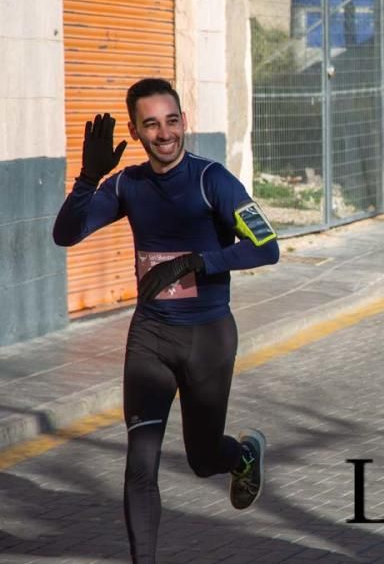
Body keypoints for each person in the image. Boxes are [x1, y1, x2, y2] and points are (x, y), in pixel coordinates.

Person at [52, 78, 280, 563]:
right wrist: (88, 180)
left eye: (171, 121)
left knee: (201, 459)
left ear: (184, 122)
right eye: (151, 124)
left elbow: (268, 246)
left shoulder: (211, 180)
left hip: (208, 340)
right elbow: (65, 235)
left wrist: (201, 261)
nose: (164, 133)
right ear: (134, 131)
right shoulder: (128, 184)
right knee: (140, 467)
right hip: (151, 339)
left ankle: (241, 455)